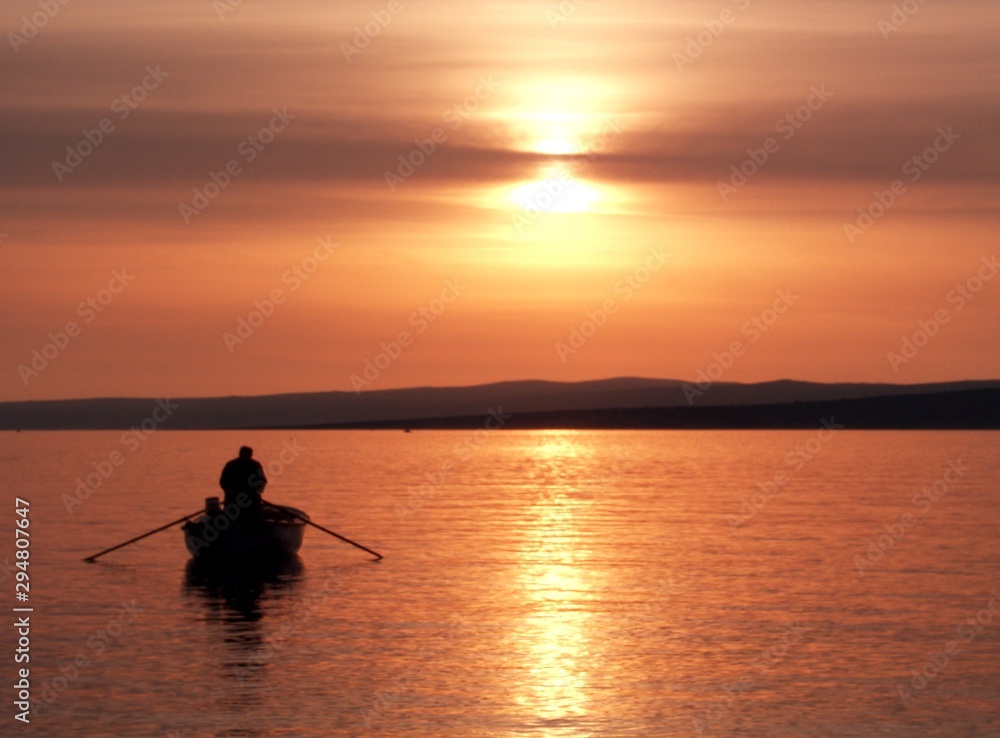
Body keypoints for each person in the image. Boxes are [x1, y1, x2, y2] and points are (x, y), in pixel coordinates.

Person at [219, 446, 267, 519]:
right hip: (234, 501)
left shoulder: (255, 465)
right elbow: (223, 482)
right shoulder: (231, 465)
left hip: (250, 502)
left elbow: (262, 481)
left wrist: (254, 492)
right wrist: (232, 492)